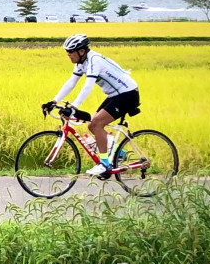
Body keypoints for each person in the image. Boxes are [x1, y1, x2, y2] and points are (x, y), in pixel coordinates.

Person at [41, 33, 140, 178]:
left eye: (70, 52)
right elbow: (71, 83)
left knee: (97, 124)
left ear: (81, 51)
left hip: (127, 94)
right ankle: (120, 153)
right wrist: (54, 101)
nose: (68, 55)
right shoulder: (81, 63)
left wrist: (73, 107)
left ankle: (105, 164)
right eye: (67, 52)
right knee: (92, 125)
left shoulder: (94, 61)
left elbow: (88, 86)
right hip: (115, 95)